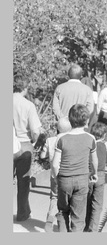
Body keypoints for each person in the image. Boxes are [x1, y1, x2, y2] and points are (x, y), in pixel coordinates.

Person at [52, 104, 98, 232]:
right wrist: (94, 173)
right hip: (82, 179)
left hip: (64, 179)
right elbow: (94, 161)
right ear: (86, 120)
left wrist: (57, 177)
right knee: (78, 217)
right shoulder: (91, 138)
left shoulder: (61, 139)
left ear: (70, 120)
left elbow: (55, 164)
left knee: (62, 211)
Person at [13, 75, 42, 222]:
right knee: (23, 181)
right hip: (24, 144)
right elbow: (36, 130)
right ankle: (22, 213)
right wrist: (34, 141)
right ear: (25, 87)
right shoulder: (28, 105)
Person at [40, 117, 72, 232]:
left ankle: (49, 220)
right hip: (67, 174)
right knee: (66, 200)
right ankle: (62, 224)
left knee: (54, 197)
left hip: (54, 175)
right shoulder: (69, 140)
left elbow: (43, 156)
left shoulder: (50, 140)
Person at [84, 122, 107, 232]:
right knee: (97, 204)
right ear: (104, 135)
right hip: (101, 175)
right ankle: (93, 229)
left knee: (87, 202)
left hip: (89, 174)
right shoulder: (105, 145)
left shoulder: (89, 145)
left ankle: (84, 226)